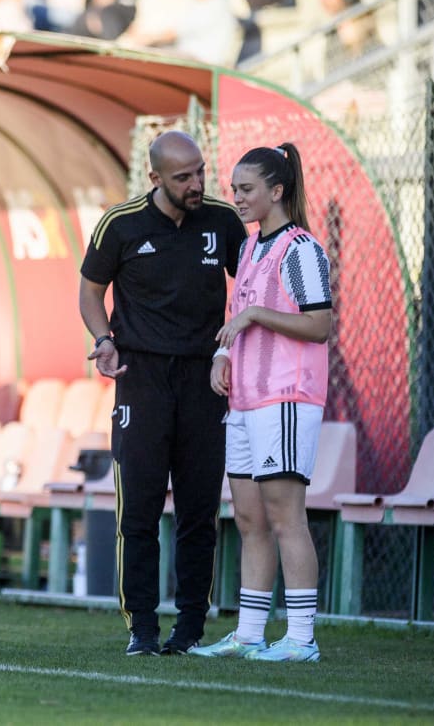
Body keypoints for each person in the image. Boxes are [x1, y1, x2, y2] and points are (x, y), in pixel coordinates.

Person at [78, 130, 245, 656]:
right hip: (141, 377)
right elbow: (89, 290)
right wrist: (103, 340)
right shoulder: (120, 224)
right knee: (140, 511)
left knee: (199, 511)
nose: (196, 184)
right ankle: (142, 628)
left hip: (203, 380)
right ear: (155, 179)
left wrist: (232, 346)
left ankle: (192, 626)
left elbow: (253, 285)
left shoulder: (221, 221)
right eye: (183, 177)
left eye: (199, 171)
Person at [190, 143, 330, 663]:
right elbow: (240, 311)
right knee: (248, 518)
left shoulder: (302, 250)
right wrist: (222, 355)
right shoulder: (250, 248)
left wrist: (254, 320)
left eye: (246, 190)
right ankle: (249, 634)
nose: (237, 198)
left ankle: (301, 640)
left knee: (285, 515)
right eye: (235, 189)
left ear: (278, 190)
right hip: (245, 401)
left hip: (287, 397)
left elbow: (319, 325)